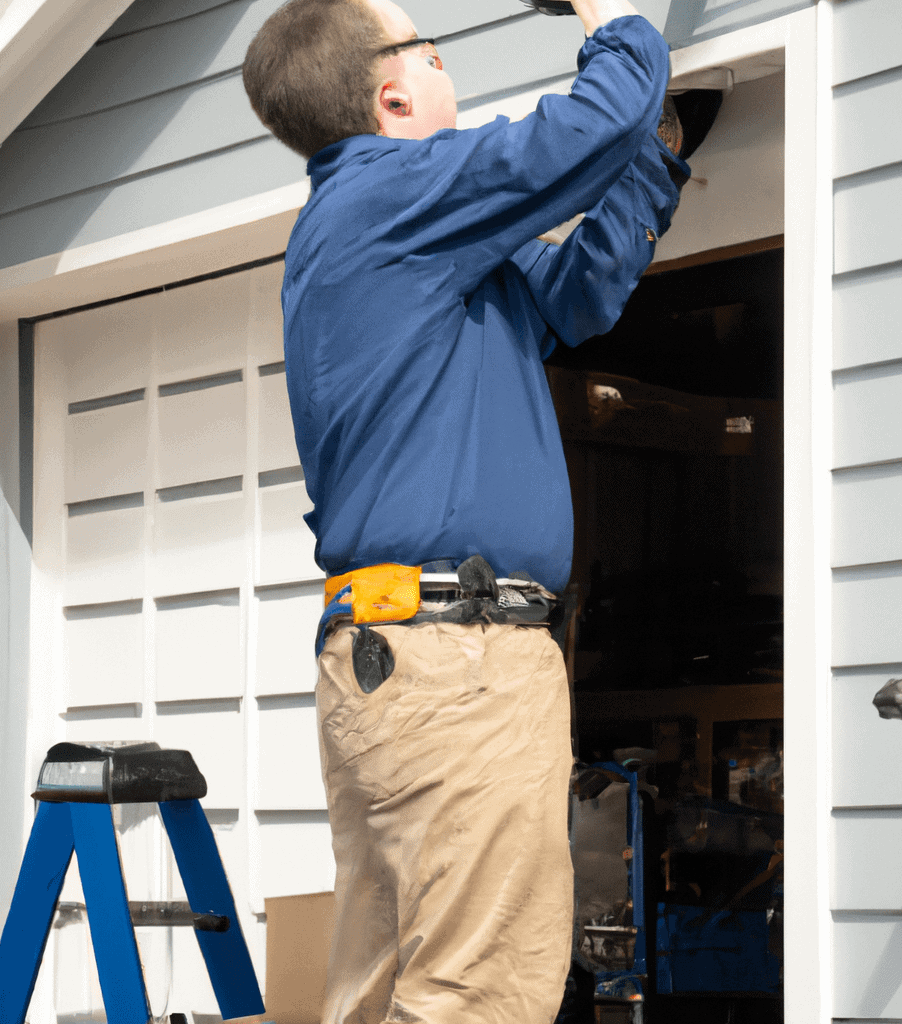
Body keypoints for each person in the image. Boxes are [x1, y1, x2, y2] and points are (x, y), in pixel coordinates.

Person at [242, 2, 694, 1022]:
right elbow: (586, 124)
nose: (448, 63)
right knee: (478, 992)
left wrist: (654, 156)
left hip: (405, 659)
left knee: (390, 988)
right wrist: (619, 21)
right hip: (458, 660)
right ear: (394, 94)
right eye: (432, 50)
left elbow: (574, 295)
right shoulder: (391, 195)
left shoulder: (423, 240)